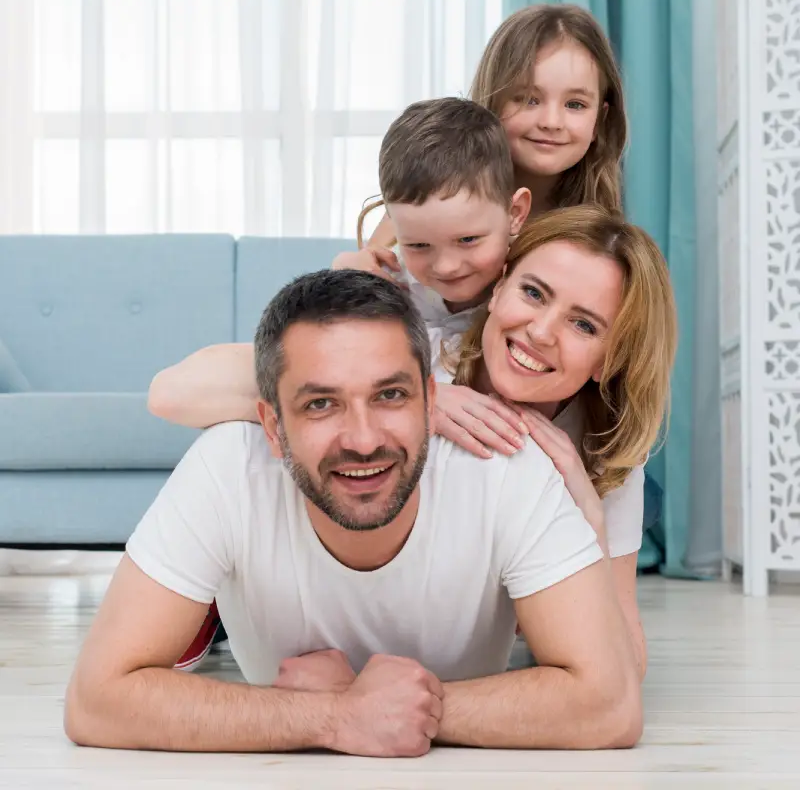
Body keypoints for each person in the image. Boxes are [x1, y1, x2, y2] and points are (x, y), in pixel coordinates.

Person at [64, 270, 642, 756]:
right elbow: (96, 700)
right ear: (272, 427)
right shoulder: (226, 466)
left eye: (390, 396)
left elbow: (611, 703)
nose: (364, 441)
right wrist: (336, 718)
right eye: (321, 404)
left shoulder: (508, 470)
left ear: (431, 402)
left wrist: (386, 706)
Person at [147, 206, 677, 678]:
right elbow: (172, 394)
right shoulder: (421, 355)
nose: (541, 332)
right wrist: (419, 400)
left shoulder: (603, 452)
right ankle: (208, 599)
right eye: (533, 294)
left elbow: (621, 669)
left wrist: (590, 522)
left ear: (610, 358)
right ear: (499, 289)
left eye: (583, 325)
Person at [348, 3, 626, 269]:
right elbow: (364, 278)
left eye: (575, 104)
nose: (551, 122)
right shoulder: (428, 199)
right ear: (492, 102)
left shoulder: (599, 241)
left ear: (599, 122)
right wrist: (349, 269)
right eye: (528, 99)